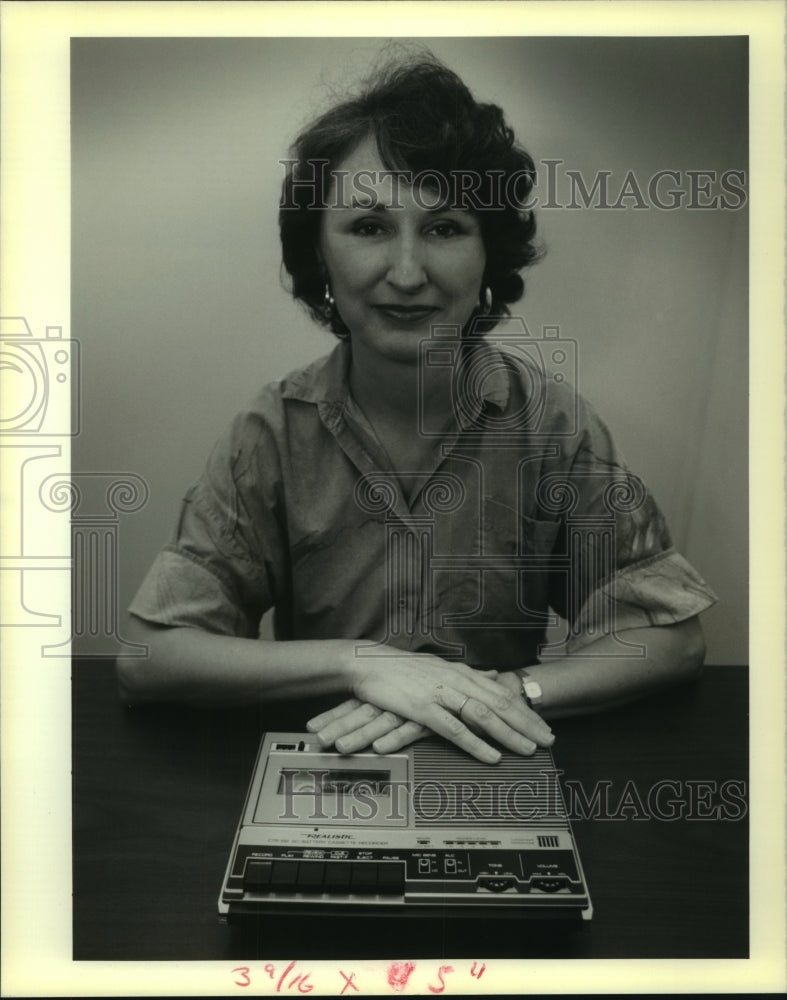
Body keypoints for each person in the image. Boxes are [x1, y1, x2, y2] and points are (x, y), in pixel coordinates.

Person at [116, 56, 716, 765]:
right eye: (368, 226)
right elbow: (150, 654)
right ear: (320, 256)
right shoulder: (271, 432)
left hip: (492, 761)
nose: (406, 272)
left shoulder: (553, 424)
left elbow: (670, 637)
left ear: (487, 254)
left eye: (444, 227)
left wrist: (499, 695)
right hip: (322, 765)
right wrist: (362, 663)